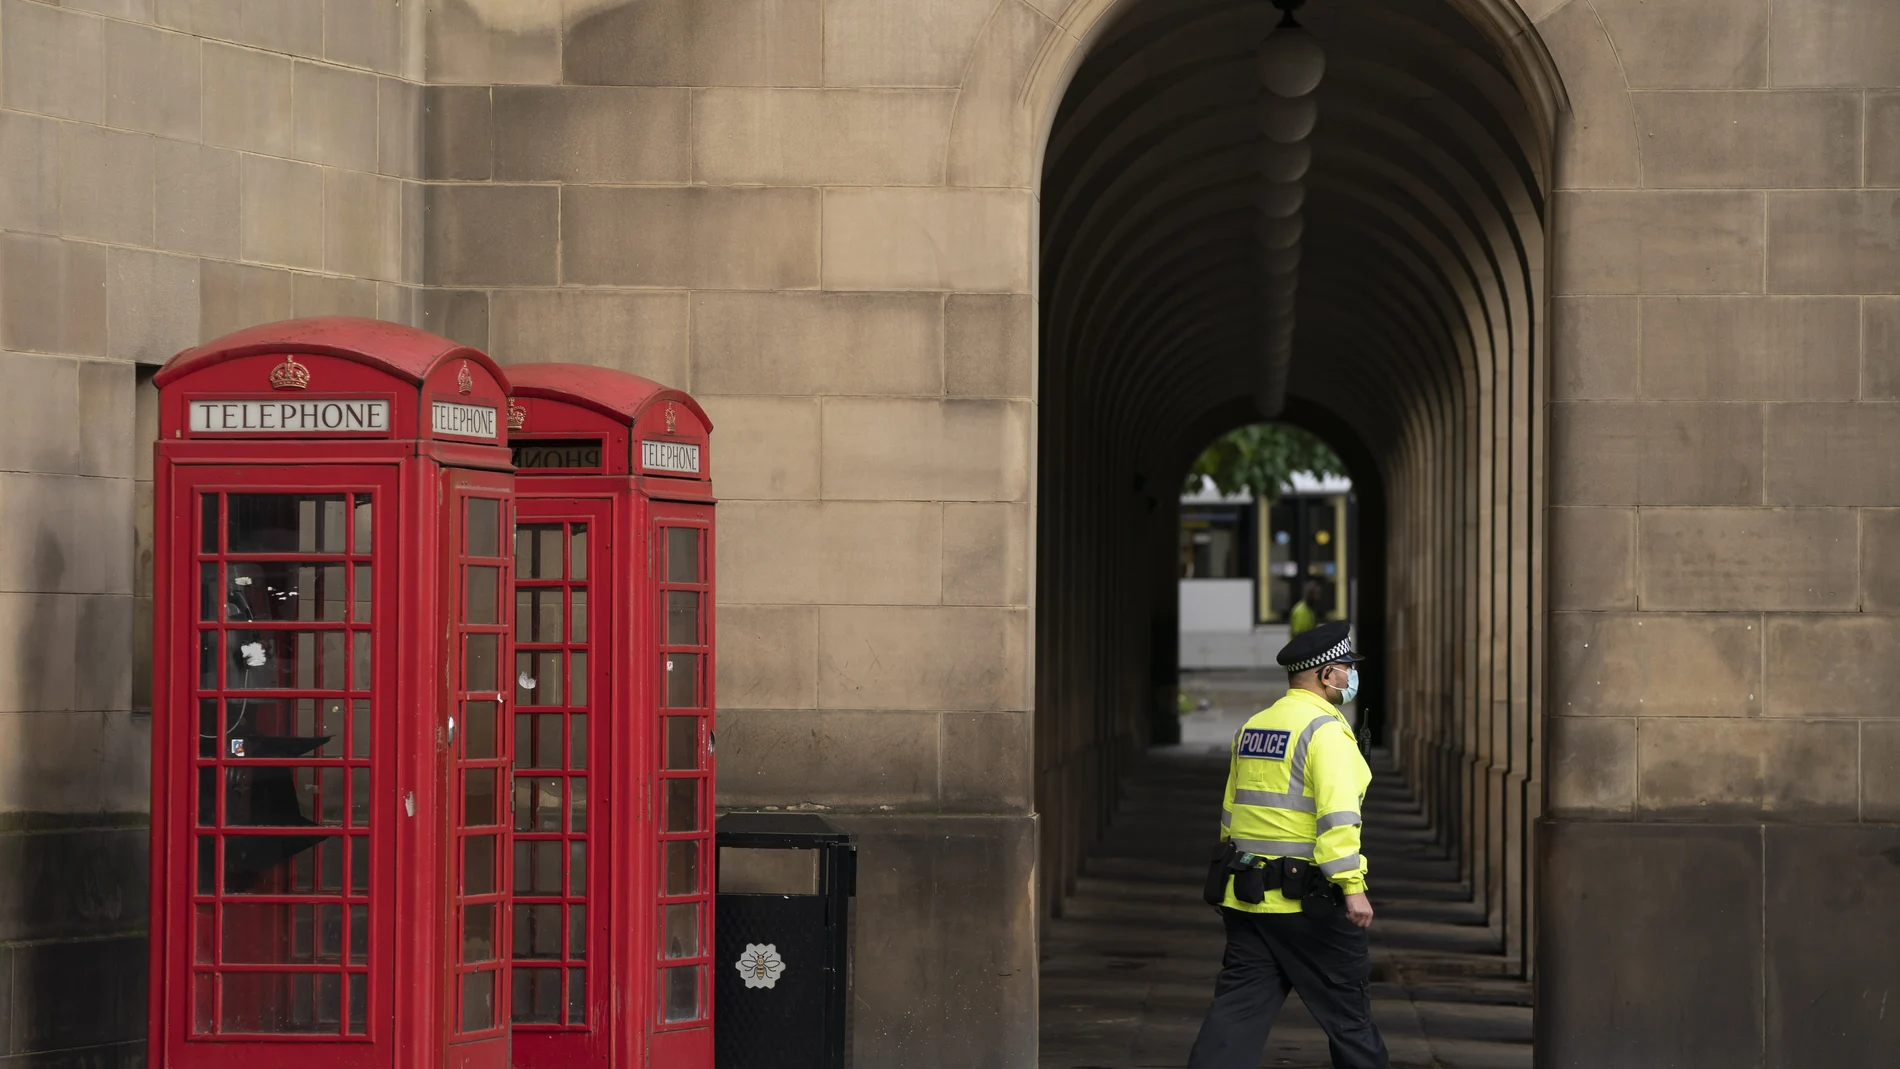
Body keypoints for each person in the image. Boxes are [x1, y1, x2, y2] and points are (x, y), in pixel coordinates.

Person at [1187, 620, 1390, 1069]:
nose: (1350, 677)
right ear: (1325, 675)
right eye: (1345, 668)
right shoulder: (1325, 733)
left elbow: (1230, 813)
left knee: (1236, 1015)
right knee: (1350, 1022)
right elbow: (1338, 818)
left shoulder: (1254, 727)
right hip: (1311, 905)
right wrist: (1352, 887)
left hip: (1248, 896)